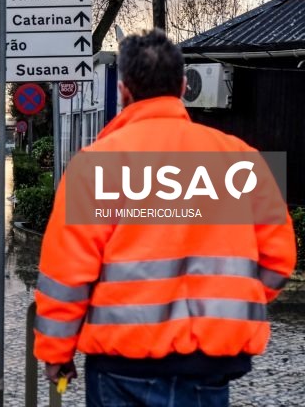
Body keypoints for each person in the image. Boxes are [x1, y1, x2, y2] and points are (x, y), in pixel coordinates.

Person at [34, 29, 296, 406]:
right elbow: (279, 260)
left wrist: (56, 352)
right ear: (184, 86)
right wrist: (228, 307)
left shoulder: (94, 166)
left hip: (121, 365)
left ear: (123, 91)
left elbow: (66, 276)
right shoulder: (241, 159)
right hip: (210, 367)